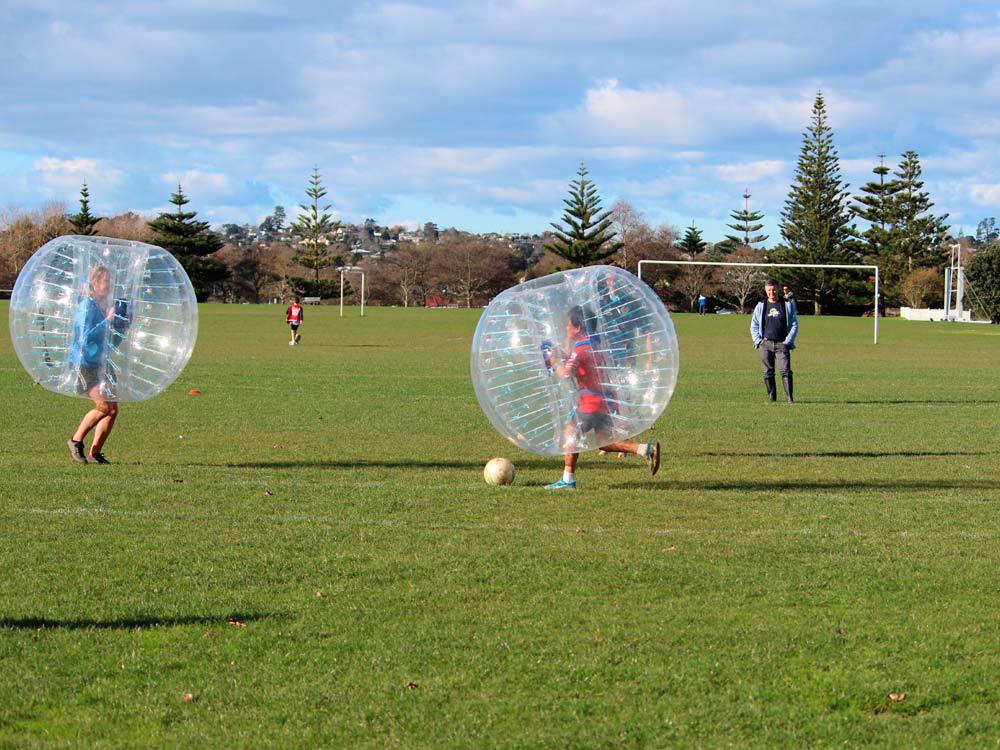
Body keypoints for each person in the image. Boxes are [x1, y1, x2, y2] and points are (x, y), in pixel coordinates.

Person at [542, 306, 660, 490]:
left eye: (568, 325)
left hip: (590, 403)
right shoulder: (595, 344)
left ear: (578, 327)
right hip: (604, 401)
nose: (566, 328)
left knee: (570, 434)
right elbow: (583, 363)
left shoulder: (580, 349)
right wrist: (562, 353)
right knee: (604, 443)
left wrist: (553, 361)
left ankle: (567, 480)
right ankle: (646, 449)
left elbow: (567, 372)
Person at [67, 265, 120, 464]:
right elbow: (85, 336)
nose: (109, 285)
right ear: (94, 283)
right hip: (85, 363)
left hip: (102, 363)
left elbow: (109, 340)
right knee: (104, 406)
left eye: (110, 281)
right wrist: (108, 321)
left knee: (112, 409)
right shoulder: (87, 306)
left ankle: (95, 453)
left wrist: (121, 324)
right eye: (105, 281)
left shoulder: (104, 304)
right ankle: (75, 441)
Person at [750, 279, 798, 403]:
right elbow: (754, 325)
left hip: (782, 343)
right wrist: (758, 340)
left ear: (778, 289)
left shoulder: (786, 304)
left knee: (785, 370)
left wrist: (788, 340)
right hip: (765, 344)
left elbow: (794, 324)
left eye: (774, 289)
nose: (772, 292)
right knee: (767, 372)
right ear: (766, 291)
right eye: (769, 290)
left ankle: (789, 398)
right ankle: (772, 397)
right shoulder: (761, 306)